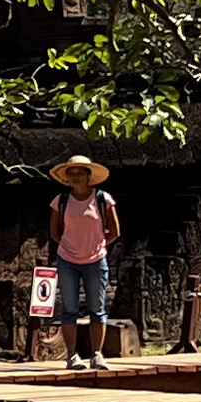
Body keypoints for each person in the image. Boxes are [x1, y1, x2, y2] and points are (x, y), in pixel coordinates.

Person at [47, 154, 120, 370]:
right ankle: (72, 355)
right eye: (72, 173)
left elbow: (115, 231)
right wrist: (71, 246)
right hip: (67, 260)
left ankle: (97, 354)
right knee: (69, 308)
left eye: (80, 172)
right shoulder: (60, 201)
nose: (76, 176)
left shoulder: (102, 199)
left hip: (96, 260)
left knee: (97, 308)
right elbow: (54, 232)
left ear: (89, 175)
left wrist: (97, 245)